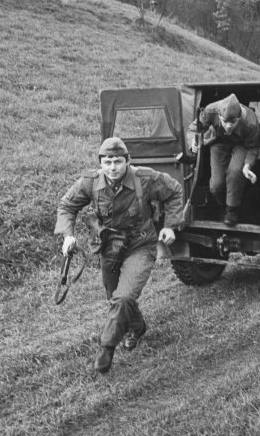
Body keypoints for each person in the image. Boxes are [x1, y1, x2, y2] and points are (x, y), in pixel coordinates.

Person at [55, 137, 183, 374]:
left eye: (117, 161)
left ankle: (107, 347)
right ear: (100, 163)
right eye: (107, 162)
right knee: (114, 295)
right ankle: (137, 326)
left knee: (123, 297)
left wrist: (171, 226)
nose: (112, 167)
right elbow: (67, 206)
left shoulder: (145, 179)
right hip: (109, 246)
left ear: (127, 161)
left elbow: (174, 191)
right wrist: (67, 235)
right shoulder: (90, 182)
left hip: (141, 244)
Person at [188, 93, 260, 226]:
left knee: (235, 172)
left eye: (233, 122)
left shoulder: (251, 122)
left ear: (239, 118)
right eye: (224, 121)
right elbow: (195, 128)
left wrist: (248, 165)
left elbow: (252, 147)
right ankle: (222, 206)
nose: (228, 126)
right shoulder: (210, 111)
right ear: (219, 115)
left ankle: (231, 211)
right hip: (219, 141)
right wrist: (193, 140)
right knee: (216, 185)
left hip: (241, 144)